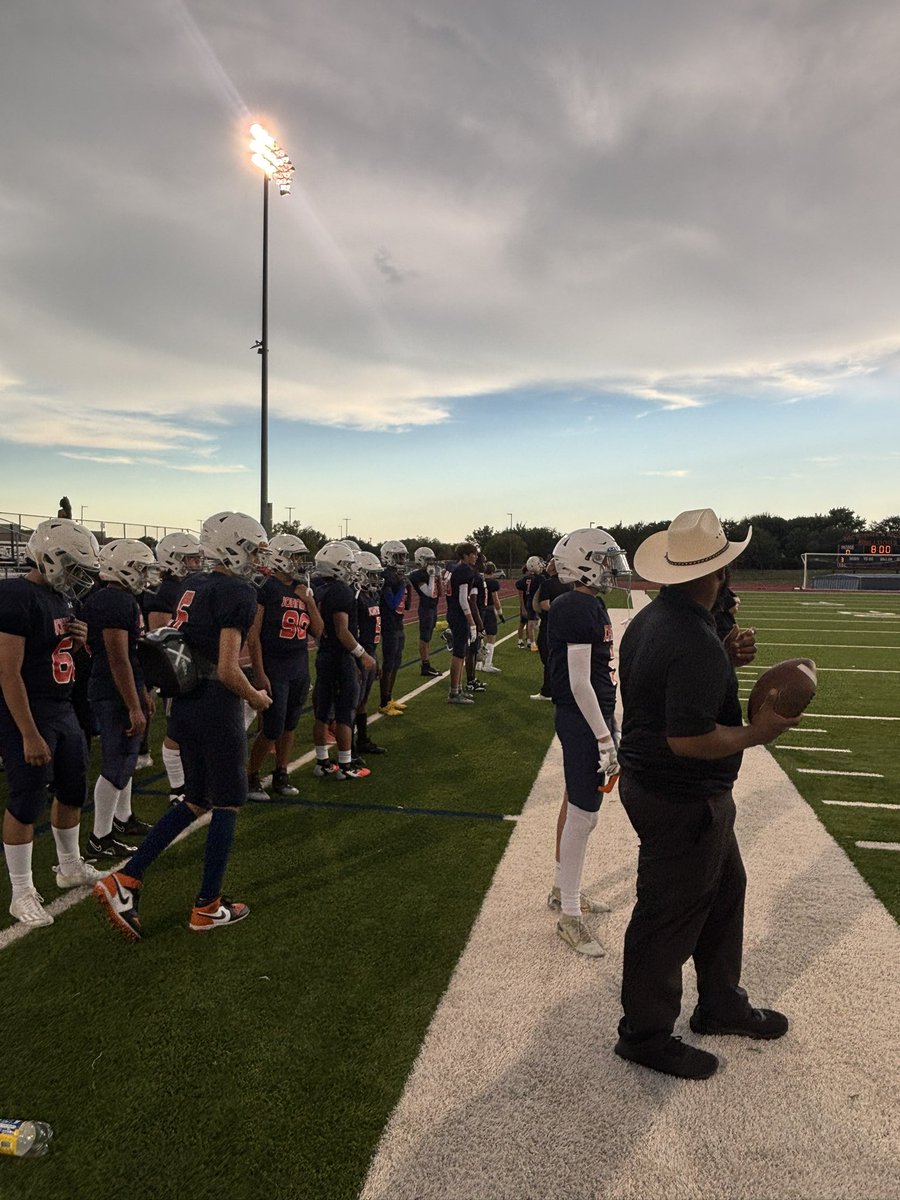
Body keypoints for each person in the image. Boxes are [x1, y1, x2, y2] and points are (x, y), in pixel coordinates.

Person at [614, 509, 798, 1080]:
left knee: (725, 890)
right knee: (669, 913)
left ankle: (720, 1003)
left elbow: (673, 680)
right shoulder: (688, 637)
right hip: (681, 794)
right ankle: (643, 1035)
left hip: (663, 786)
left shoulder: (662, 617)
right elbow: (690, 738)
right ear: (717, 572)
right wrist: (758, 733)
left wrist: (724, 651)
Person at [94, 512, 273, 940]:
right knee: (227, 802)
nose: (256, 557)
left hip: (187, 702)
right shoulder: (236, 590)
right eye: (251, 548)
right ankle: (207, 906)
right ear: (232, 546)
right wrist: (257, 698)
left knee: (196, 798)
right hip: (215, 702)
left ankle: (127, 878)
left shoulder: (195, 585)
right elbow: (230, 669)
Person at [0, 518, 105, 927]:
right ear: (50, 559)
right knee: (27, 799)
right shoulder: (15, 596)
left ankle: (69, 866)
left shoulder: (62, 600)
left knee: (73, 789)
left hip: (62, 707)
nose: (79, 578)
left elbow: (56, 657)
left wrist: (77, 641)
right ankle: (21, 891)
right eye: (75, 568)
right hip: (30, 709)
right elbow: (8, 673)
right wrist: (27, 732)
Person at [545, 528, 630, 956]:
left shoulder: (584, 603)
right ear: (583, 561)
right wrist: (602, 735)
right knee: (584, 814)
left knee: (574, 802)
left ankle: (564, 890)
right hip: (582, 719)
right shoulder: (577, 606)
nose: (611, 567)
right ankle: (570, 916)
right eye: (604, 558)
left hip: (588, 716)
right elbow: (579, 683)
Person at [83, 540, 160, 859]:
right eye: (141, 568)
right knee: (117, 761)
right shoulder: (115, 601)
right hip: (112, 689)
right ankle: (99, 838)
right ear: (124, 568)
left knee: (126, 758)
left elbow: (129, 654)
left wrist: (141, 693)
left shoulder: (118, 598)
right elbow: (118, 658)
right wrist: (132, 704)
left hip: (120, 685)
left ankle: (123, 818)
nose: (145, 575)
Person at [246, 533, 322, 800]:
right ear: (280, 557)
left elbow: (319, 630)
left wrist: (309, 601)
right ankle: (251, 777)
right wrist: (259, 671)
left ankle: (281, 773)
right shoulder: (265, 588)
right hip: (275, 665)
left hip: (299, 664)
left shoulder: (302, 588)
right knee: (272, 728)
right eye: (295, 556)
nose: (300, 562)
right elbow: (253, 634)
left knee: (290, 725)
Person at [145, 531, 204, 805]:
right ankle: (176, 787)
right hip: (176, 666)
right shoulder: (164, 592)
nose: (195, 564)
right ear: (172, 559)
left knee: (188, 728)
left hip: (188, 664)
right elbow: (159, 636)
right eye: (189, 559)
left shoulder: (187, 586)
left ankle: (185, 781)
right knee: (177, 728)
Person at [310, 542, 375, 779]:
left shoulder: (320, 589)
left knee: (323, 712)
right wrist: (363, 654)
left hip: (325, 653)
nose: (351, 569)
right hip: (340, 656)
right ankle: (346, 766)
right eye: (346, 565)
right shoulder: (340, 591)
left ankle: (322, 762)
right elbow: (342, 630)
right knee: (345, 712)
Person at [352, 551, 387, 758]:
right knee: (353, 702)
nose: (375, 579)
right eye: (371, 574)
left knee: (363, 700)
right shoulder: (356, 598)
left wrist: (375, 659)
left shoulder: (371, 596)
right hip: (360, 655)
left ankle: (362, 740)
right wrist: (359, 659)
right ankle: (350, 749)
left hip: (371, 653)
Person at [377, 540, 411, 716]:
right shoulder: (386, 576)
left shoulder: (396, 575)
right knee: (389, 663)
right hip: (389, 624)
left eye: (404, 556)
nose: (402, 560)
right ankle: (383, 702)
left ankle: (389, 698)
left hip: (398, 623)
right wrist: (404, 585)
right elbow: (391, 603)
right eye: (398, 556)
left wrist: (407, 588)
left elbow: (406, 606)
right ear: (388, 556)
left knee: (396, 662)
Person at [531, 558, 571, 700]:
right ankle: (561, 688)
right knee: (561, 658)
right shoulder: (569, 584)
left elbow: (544, 605)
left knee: (547, 658)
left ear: (554, 568)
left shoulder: (547, 584)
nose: (546, 565)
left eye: (550, 564)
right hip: (565, 625)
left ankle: (547, 691)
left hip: (550, 625)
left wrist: (557, 610)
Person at [445, 543, 480, 705]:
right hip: (459, 615)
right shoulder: (465, 570)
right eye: (473, 554)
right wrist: (472, 622)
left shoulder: (455, 568)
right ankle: (454, 692)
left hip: (453, 613)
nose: (476, 556)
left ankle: (458, 688)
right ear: (465, 555)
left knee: (461, 652)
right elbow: (462, 599)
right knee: (459, 654)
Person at [408, 546, 442, 677]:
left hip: (433, 608)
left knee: (428, 638)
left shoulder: (428, 573)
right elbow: (428, 593)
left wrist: (438, 577)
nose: (431, 563)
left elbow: (440, 593)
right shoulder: (417, 575)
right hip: (425, 608)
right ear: (420, 560)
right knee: (424, 638)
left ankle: (426, 664)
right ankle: (425, 665)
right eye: (428, 560)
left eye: (432, 560)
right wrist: (433, 577)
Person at [477, 562, 504, 674]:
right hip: (488, 610)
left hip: (479, 610)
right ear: (493, 571)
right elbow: (495, 599)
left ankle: (478, 663)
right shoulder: (492, 583)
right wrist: (500, 613)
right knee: (491, 637)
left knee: (479, 637)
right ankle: (487, 664)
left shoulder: (479, 580)